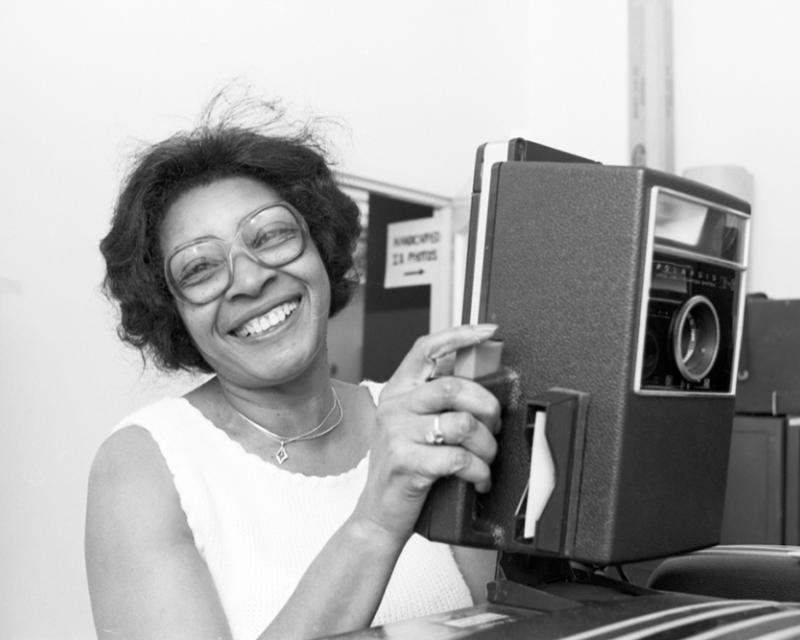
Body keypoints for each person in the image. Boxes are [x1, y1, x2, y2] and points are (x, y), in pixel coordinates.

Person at [85, 103, 501, 640]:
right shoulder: (146, 465)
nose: (250, 280)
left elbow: (518, 623)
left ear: (320, 245)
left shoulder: (419, 421)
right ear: (172, 311)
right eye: (200, 268)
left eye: (270, 236)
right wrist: (375, 521)